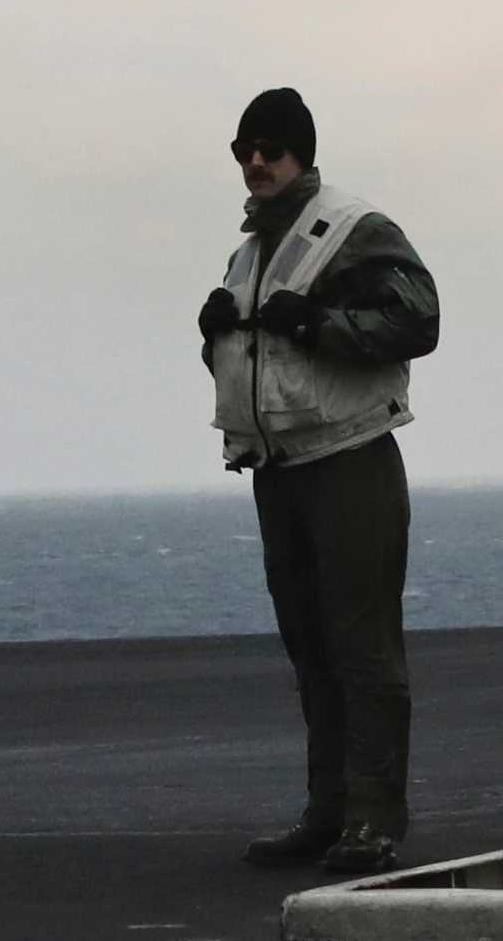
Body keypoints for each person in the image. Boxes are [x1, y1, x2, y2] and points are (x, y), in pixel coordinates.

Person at [197, 87, 439, 876]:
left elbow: (418, 319)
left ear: (302, 151)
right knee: (312, 647)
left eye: (270, 148)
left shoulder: (352, 228)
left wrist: (318, 324)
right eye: (243, 151)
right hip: (281, 469)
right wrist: (216, 339)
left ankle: (372, 821)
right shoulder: (252, 250)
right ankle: (329, 812)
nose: (255, 162)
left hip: (349, 460)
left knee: (361, 648)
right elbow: (265, 363)